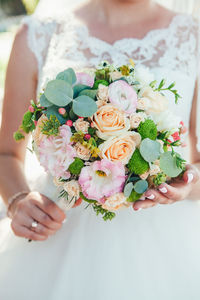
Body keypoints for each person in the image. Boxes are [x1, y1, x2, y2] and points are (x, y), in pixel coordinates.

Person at [0, 0, 200, 299]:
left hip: (167, 246)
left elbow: (196, 160)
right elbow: (6, 154)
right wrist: (18, 201)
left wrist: (186, 184)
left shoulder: (193, 37)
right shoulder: (38, 35)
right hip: (57, 235)